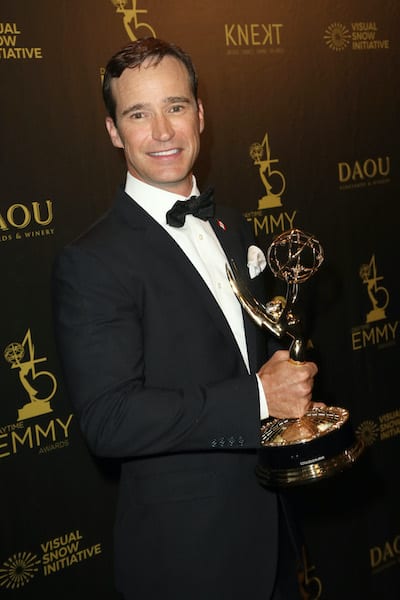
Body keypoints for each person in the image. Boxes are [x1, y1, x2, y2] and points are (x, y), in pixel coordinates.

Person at [52, 37, 319, 600]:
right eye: (138, 114)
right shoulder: (92, 261)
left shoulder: (230, 224)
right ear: (113, 132)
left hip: (275, 531)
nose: (164, 132)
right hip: (188, 560)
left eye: (175, 107)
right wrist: (259, 398)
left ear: (200, 114)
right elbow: (110, 420)